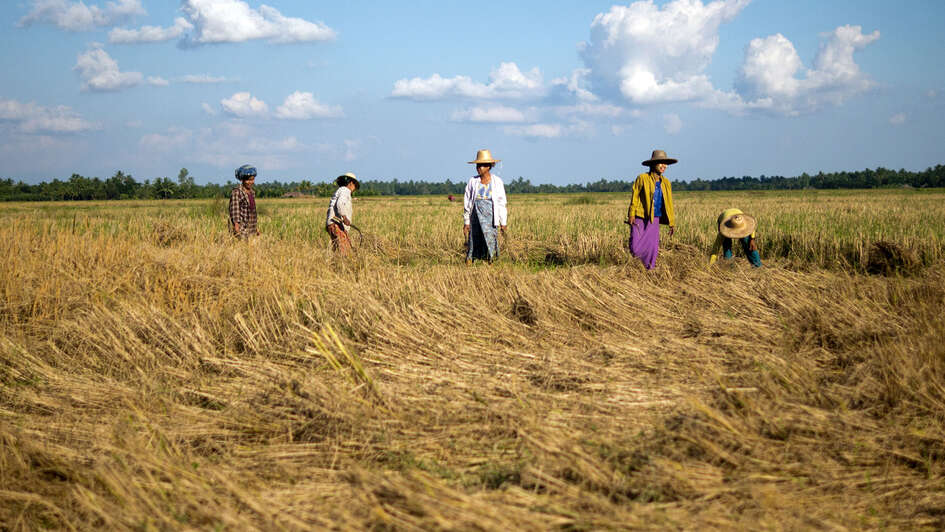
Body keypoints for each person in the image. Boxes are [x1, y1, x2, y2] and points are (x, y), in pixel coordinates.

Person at [625, 149, 677, 270]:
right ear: (653, 164)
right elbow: (635, 196)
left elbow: (669, 204)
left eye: (665, 163)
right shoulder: (642, 178)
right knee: (635, 247)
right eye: (660, 163)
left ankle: (649, 269)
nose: (663, 166)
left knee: (652, 247)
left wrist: (672, 223)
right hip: (640, 216)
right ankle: (638, 264)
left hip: (656, 217)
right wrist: (631, 214)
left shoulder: (667, 183)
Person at [463, 149, 508, 264]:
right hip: (475, 216)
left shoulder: (497, 182)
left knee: (490, 239)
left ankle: (491, 262)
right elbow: (467, 202)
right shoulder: (473, 181)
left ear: (489, 166)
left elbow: (501, 203)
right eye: (478, 165)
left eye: (482, 165)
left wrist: (503, 222)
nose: (479, 167)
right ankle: (469, 262)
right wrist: (466, 221)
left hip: (491, 217)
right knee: (473, 239)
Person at [325, 172, 359, 255]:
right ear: (351, 183)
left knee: (337, 250)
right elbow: (340, 204)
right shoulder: (345, 190)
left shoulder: (340, 191)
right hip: (336, 224)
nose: (354, 189)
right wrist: (344, 217)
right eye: (355, 186)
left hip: (333, 224)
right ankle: (343, 265)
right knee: (345, 252)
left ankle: (334, 265)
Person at [229, 164, 259, 239]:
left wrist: (256, 229)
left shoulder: (252, 193)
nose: (250, 182)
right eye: (248, 180)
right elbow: (234, 211)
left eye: (252, 179)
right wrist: (236, 227)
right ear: (242, 180)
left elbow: (252, 212)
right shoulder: (237, 192)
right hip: (241, 228)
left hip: (251, 229)